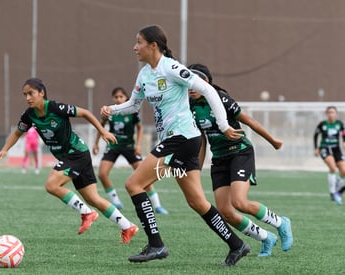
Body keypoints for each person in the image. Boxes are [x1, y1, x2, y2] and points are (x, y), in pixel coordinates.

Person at [101, 25, 250, 266]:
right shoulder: (145, 74)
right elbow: (133, 105)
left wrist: (223, 125)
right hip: (180, 142)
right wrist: (113, 109)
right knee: (197, 202)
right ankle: (237, 245)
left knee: (134, 184)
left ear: (153, 45)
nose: (134, 47)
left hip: (181, 139)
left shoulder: (171, 68)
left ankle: (156, 244)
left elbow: (208, 90)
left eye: (138, 42)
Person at [0, 77, 138, 243]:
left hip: (76, 153)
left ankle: (87, 213)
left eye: (31, 93)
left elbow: (85, 113)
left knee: (51, 185)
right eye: (24, 94)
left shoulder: (55, 107)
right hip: (74, 156)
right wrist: (5, 149)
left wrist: (103, 132)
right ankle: (128, 226)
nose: (27, 98)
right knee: (93, 198)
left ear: (42, 93)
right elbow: (18, 133)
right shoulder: (29, 115)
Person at [188, 63, 293, 257]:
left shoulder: (221, 99)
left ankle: (281, 223)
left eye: (195, 82)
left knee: (239, 202)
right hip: (219, 160)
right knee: (225, 212)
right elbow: (201, 141)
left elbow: (249, 121)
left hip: (240, 152)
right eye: (188, 82)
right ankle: (265, 237)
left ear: (206, 82)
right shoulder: (190, 107)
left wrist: (273, 141)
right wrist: (196, 169)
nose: (191, 87)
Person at [93, 86, 168, 214]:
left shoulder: (132, 112)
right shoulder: (109, 112)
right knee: (102, 174)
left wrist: (138, 145)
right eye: (116, 97)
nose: (118, 99)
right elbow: (101, 127)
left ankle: (157, 205)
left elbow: (140, 128)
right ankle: (115, 201)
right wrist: (96, 144)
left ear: (126, 98)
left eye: (121, 97)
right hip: (113, 146)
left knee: (144, 175)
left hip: (129, 147)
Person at [314, 106, 345, 205]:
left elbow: (343, 134)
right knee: (332, 167)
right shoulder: (322, 124)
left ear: (336, 114)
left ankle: (337, 191)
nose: (331, 114)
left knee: (343, 171)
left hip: (336, 149)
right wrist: (316, 147)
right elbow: (315, 135)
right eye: (329, 112)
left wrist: (344, 141)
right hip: (325, 148)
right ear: (327, 114)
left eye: (333, 112)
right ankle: (332, 192)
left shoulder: (339, 124)